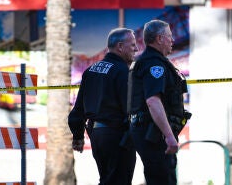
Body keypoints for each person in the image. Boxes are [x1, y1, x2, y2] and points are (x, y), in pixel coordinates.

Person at [68, 28, 138, 185]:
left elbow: (79, 108)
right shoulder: (122, 71)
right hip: (117, 136)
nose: (137, 48)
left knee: (107, 179)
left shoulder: (90, 70)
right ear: (120, 46)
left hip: (97, 136)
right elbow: (131, 107)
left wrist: (78, 135)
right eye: (133, 45)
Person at [128, 19, 190, 185]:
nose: (173, 40)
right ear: (160, 39)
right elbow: (153, 101)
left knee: (161, 176)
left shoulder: (151, 62)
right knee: (162, 179)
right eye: (169, 36)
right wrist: (169, 136)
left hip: (151, 131)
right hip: (153, 134)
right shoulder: (154, 65)